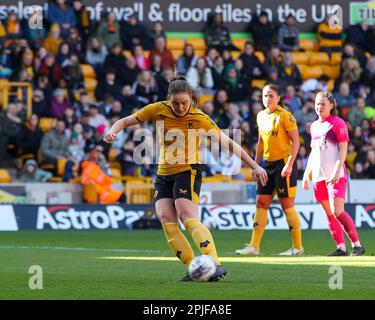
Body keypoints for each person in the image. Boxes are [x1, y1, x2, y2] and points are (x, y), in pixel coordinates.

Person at [104, 72, 268, 281]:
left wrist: (254, 165)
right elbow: (127, 120)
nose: (180, 108)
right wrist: (113, 131)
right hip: (163, 173)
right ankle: (196, 269)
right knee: (166, 219)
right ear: (169, 99)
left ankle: (215, 264)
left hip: (187, 171)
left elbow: (228, 142)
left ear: (191, 99)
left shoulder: (199, 118)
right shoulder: (158, 109)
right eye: (176, 103)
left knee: (186, 216)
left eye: (184, 103)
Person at [236, 84, 303, 256]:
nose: (267, 99)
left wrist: (289, 164)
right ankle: (254, 246)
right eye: (265, 95)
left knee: (286, 205)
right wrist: (255, 164)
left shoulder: (285, 116)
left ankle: (297, 248)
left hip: (283, 164)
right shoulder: (260, 116)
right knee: (261, 203)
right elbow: (260, 142)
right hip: (267, 165)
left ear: (279, 98)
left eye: (271, 95)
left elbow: (296, 142)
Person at [302, 91, 365, 256]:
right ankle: (341, 248)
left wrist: (337, 170)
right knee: (328, 213)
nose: (319, 107)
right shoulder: (314, 126)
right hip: (318, 176)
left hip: (335, 175)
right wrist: (306, 174)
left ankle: (357, 245)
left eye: (322, 104)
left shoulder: (338, 123)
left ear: (331, 105)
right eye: (317, 103)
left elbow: (343, 150)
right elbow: (314, 152)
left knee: (337, 211)